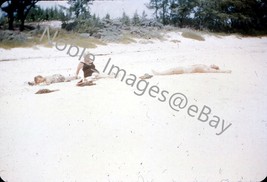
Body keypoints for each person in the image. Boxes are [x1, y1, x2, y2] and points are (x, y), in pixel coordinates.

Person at [152, 64, 231, 75]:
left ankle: (160, 73)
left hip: (186, 70)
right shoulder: (207, 66)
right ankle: (160, 73)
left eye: (215, 66)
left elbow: (218, 71)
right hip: (186, 68)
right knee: (173, 69)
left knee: (173, 71)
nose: (214, 65)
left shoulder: (207, 69)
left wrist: (225, 71)